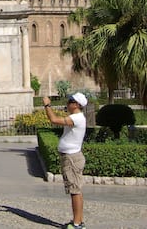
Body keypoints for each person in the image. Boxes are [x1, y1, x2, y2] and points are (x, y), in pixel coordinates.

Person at [44, 93, 88, 229]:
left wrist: (47, 105)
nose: (67, 103)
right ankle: (78, 221)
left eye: (70, 101)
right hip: (71, 157)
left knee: (75, 191)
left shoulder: (77, 118)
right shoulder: (76, 117)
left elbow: (53, 120)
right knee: (76, 190)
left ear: (76, 105)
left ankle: (76, 224)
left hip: (71, 158)